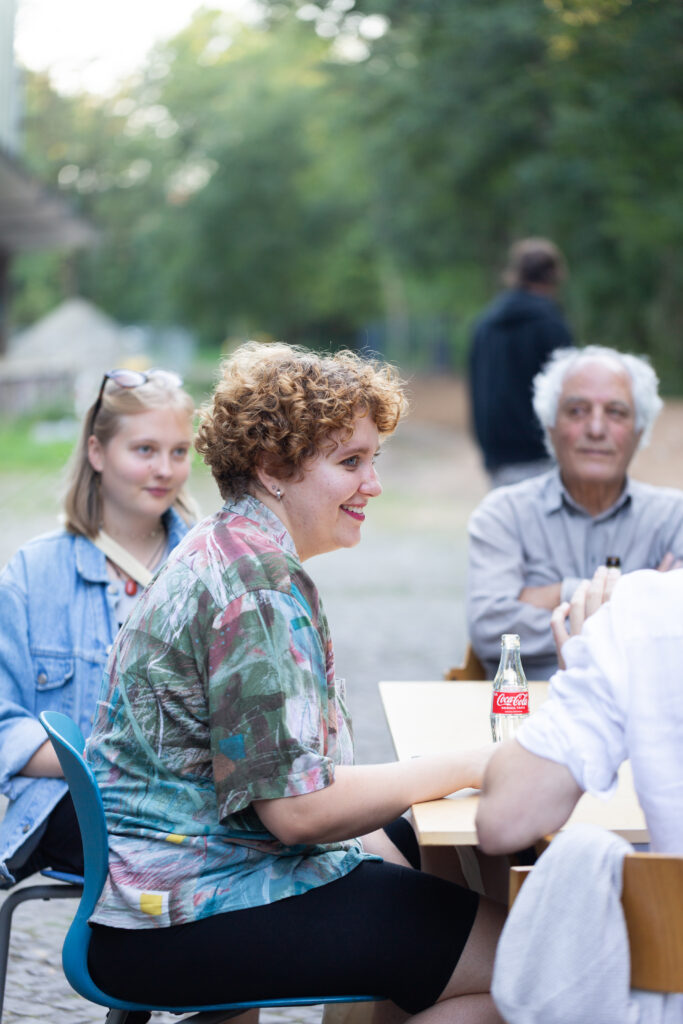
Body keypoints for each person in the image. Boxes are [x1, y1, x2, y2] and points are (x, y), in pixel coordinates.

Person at [84, 342, 505, 1024]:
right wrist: (467, 763)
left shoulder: (226, 543)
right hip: (186, 908)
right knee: (532, 965)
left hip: (170, 880)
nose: (372, 483)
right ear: (273, 468)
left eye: (373, 459)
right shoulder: (256, 584)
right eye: (349, 462)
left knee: (428, 849)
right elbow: (298, 813)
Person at [0, 368, 196, 887]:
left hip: (196, 803)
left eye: (179, 451)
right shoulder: (33, 572)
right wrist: (112, 760)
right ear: (96, 452)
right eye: (145, 450)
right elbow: (3, 726)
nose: (165, 469)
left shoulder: (208, 564)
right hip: (72, 805)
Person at [467, 344, 683, 680]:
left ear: (640, 430)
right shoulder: (504, 514)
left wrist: (553, 596)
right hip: (534, 718)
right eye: (578, 410)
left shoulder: (675, 518)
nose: (596, 429)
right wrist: (638, 597)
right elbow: (491, 634)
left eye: (616, 412)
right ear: (550, 425)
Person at [475, 561, 683, 856]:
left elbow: (502, 821)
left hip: (668, 899)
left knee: (579, 851)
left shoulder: (648, 612)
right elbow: (487, 623)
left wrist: (586, 664)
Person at [468, 237, 574, 489]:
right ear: (554, 277)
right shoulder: (552, 326)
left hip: (497, 458)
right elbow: (571, 393)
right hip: (542, 456)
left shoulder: (484, 325)